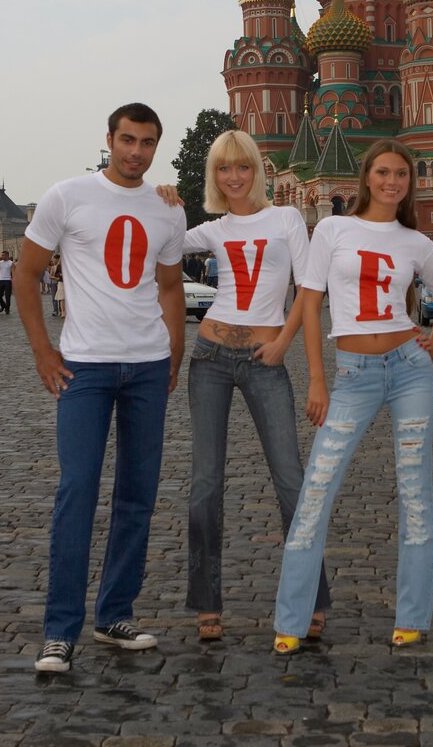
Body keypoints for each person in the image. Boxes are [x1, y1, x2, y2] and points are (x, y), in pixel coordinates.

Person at [14, 103, 186, 675]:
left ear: (157, 146)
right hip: (85, 367)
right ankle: (59, 631)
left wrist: (174, 352)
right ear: (110, 139)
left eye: (148, 143)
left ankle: (115, 614)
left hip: (146, 366)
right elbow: (26, 272)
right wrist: (43, 350)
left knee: (137, 495)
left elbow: (168, 287)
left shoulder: (168, 209)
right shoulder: (68, 196)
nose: (137, 152)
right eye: (128, 140)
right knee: (78, 491)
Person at [157, 130, 330, 642]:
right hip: (210, 354)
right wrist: (163, 200)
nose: (234, 177)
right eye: (224, 169)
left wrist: (284, 343)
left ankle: (311, 594)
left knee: (291, 480)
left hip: (264, 356)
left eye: (243, 167)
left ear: (257, 170)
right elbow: (157, 244)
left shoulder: (287, 219)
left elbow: (308, 289)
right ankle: (206, 602)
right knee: (205, 483)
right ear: (215, 177)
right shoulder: (213, 229)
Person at [273, 139, 433, 655]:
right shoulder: (332, 229)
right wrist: (317, 379)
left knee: (415, 492)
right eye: (384, 173)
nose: (392, 182)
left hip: (410, 370)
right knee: (317, 490)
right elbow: (309, 303)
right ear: (367, 177)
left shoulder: (416, 242)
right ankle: (291, 618)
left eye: (401, 175)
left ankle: (412, 616)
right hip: (351, 374)